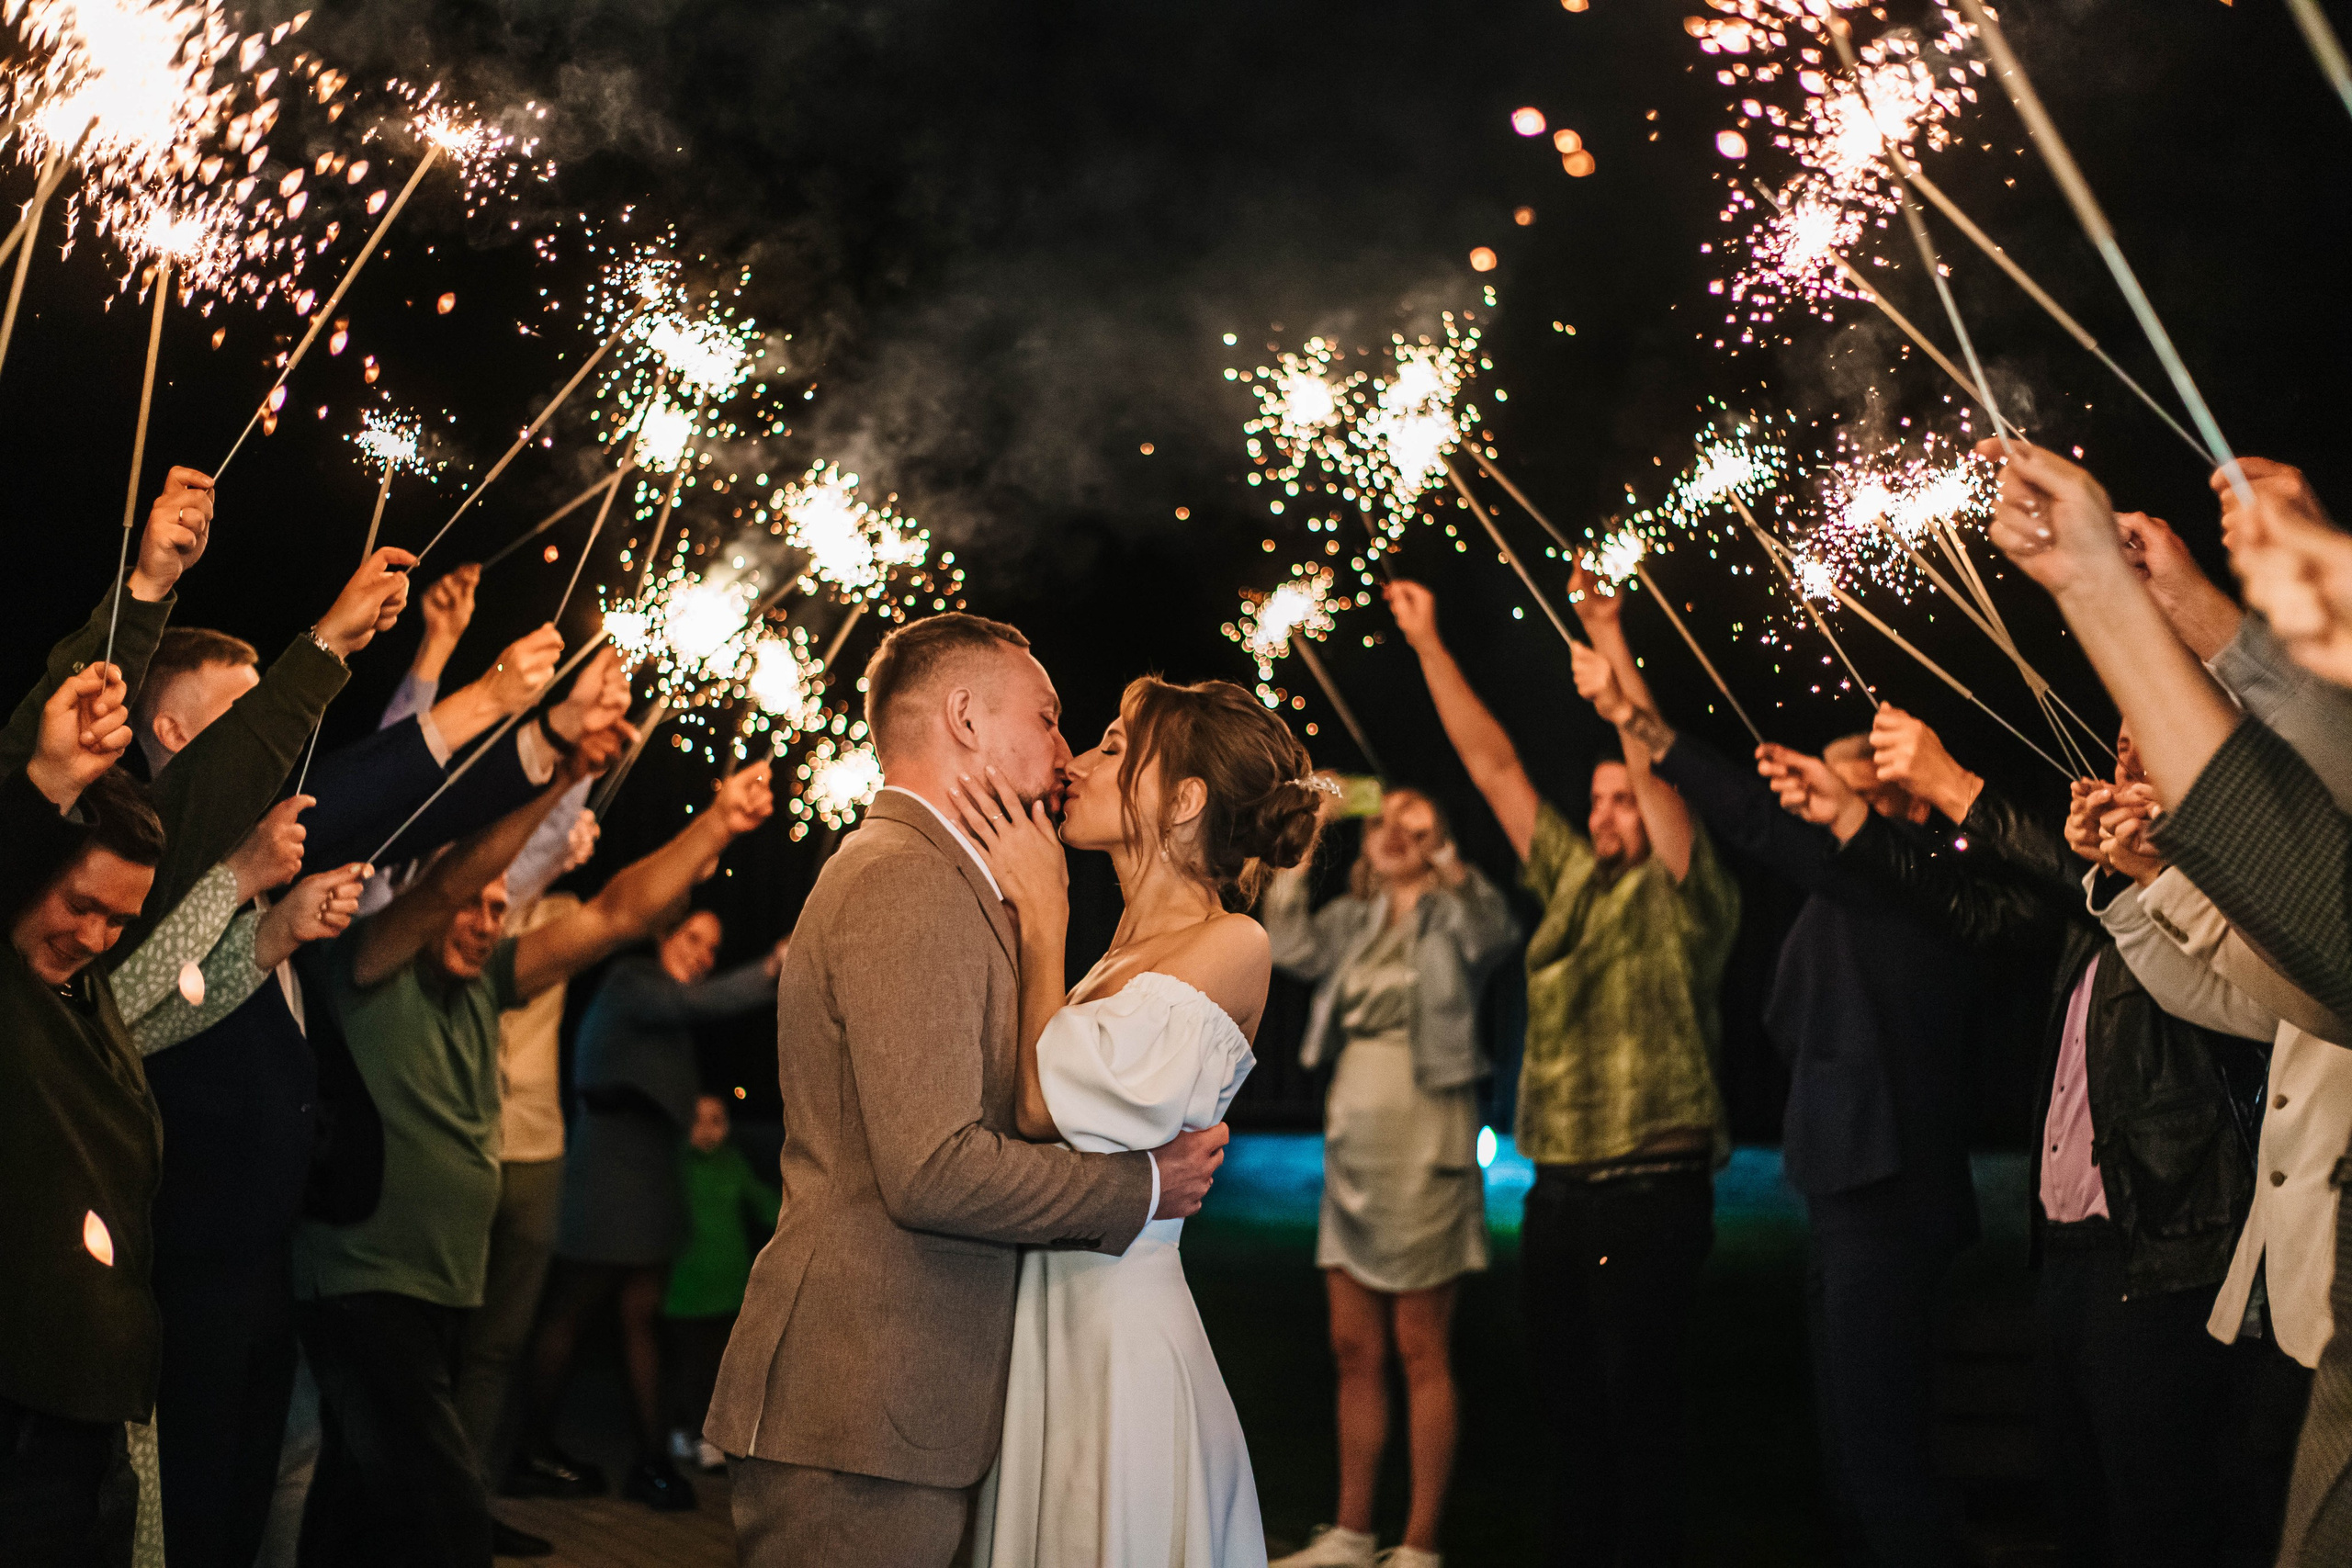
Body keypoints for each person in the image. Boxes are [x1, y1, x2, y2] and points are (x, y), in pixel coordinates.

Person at [707, 613, 1232, 1568]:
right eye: (1045, 717)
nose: (1063, 749)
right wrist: (1143, 1189)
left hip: (901, 1408)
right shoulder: (906, 878)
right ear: (963, 717)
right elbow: (932, 1170)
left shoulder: (946, 875)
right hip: (861, 1410)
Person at [127, 603, 622, 1568]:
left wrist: (545, 745)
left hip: (266, 1269)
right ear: (175, 736)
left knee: (265, 1500)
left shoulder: (258, 865)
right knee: (194, 1511)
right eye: (247, 717)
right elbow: (364, 803)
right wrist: (497, 705)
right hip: (187, 1270)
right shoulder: (156, 854)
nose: (279, 742)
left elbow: (407, 817)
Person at [1, 468, 414, 1566]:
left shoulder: (80, 993)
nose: (98, 938)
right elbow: (152, 807)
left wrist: (325, 647)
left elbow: (187, 822)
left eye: (120, 922)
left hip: (95, 1410)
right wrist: (139, 597)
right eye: (82, 909)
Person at [1758, 708, 2269, 1567]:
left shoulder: (2221, 895)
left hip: (2161, 1253)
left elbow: (2094, 895)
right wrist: (1856, 822)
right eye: (2118, 742)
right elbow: (1971, 906)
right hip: (2067, 1253)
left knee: (2154, 1523)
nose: (2126, 757)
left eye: (2153, 733)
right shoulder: (2093, 902)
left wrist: (1951, 784)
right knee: (2080, 1511)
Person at [1974, 444, 2352, 1561]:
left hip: (2181, 1248)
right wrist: (2152, 885)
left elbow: (2321, 923)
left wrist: (2119, 597)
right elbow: (2280, 993)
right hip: (2297, 1287)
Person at [1564, 559, 1982, 1567]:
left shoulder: (1907, 883)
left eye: (1836, 792)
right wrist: (1613, 649)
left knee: (1884, 1469)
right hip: (1846, 1190)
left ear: (1899, 809)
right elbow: (1762, 819)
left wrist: (1649, 726)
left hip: (1890, 1194)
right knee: (1850, 1464)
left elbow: (1740, 814)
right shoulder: (1843, 895)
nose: (1809, 805)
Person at [289, 734, 786, 1568]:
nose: (485, 921)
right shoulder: (370, 964)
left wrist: (717, 826)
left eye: (497, 909)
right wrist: (559, 777)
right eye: (473, 904)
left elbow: (616, 915)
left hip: (435, 1286)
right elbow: (449, 877)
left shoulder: (488, 980)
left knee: (354, 1506)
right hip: (363, 1283)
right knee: (443, 1518)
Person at [1384, 578, 1739, 1566]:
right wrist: (1427, 645)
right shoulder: (1574, 883)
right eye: (1596, 804)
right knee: (1573, 1421)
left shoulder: (1685, 894)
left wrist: (1608, 636)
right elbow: (1491, 764)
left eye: (1620, 800)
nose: (1607, 812)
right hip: (1560, 1199)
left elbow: (1658, 776)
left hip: (1651, 1198)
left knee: (1642, 1418)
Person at [954, 673, 1317, 1568]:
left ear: (1185, 799)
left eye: (1115, 746)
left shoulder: (1232, 943)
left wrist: (1041, 910)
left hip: (1119, 1349)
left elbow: (1039, 1107)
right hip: (1046, 1330)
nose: (1078, 761)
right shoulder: (1116, 956)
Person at [1261, 783, 1519, 1568]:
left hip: (1427, 1147)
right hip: (1355, 1149)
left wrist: (1442, 852)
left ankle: (1418, 1543)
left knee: (1419, 1346)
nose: (1396, 830)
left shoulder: (1455, 917)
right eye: (1389, 820)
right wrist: (1305, 844)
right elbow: (1286, 941)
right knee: (1352, 1346)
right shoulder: (1352, 921)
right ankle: (1349, 1531)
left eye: (1419, 820)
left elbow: (1496, 930)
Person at [516, 908, 784, 1510]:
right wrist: (771, 965)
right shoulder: (633, 981)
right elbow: (703, 1004)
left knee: (637, 1314)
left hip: (648, 1170)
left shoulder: (665, 1004)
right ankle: (527, 1449)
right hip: (610, 1170)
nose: (703, 955)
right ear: (664, 935)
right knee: (573, 1308)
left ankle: (651, 1459)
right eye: (693, 938)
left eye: (713, 947)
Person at [661, 1094, 781, 1475]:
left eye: (718, 1120)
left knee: (721, 1368)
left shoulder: (733, 1163)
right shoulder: (672, 1165)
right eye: (699, 1120)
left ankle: (696, 1434)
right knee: (691, 1367)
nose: (710, 1130)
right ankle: (696, 1435)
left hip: (730, 1287)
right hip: (685, 1288)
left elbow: (765, 1205)